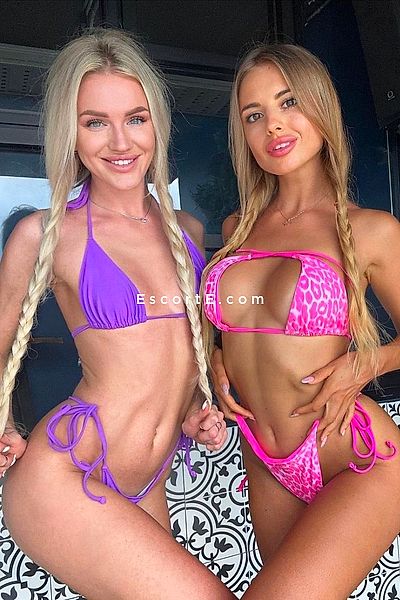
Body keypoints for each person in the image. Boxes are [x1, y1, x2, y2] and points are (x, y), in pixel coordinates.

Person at [0, 28, 234, 600]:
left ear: (156, 124)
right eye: (95, 122)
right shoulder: (46, 234)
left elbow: (179, 353)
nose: (120, 141)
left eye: (135, 118)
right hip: (68, 471)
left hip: (149, 481)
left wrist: (194, 412)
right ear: (71, 132)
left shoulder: (188, 232)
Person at [202, 43, 400, 599]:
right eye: (254, 114)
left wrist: (368, 362)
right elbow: (239, 322)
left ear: (320, 105)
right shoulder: (237, 228)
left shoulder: (370, 230)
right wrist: (216, 355)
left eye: (288, 102)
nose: (273, 125)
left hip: (355, 452)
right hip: (266, 456)